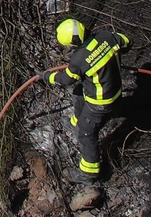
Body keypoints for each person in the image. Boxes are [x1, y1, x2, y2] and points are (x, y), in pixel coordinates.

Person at [40, 18, 131, 182]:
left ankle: (89, 173)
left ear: (73, 42)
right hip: (116, 92)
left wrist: (47, 76)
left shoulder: (78, 59)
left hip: (101, 103)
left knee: (86, 133)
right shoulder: (106, 36)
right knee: (78, 92)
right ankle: (76, 120)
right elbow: (126, 42)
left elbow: (65, 80)